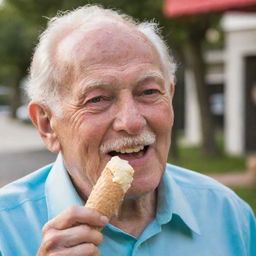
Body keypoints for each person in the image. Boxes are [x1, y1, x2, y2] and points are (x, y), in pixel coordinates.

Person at [0, 5, 255, 256]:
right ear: (47, 125)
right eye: (98, 99)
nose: (131, 122)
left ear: (170, 96)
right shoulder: (6, 229)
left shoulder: (229, 215)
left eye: (148, 92)